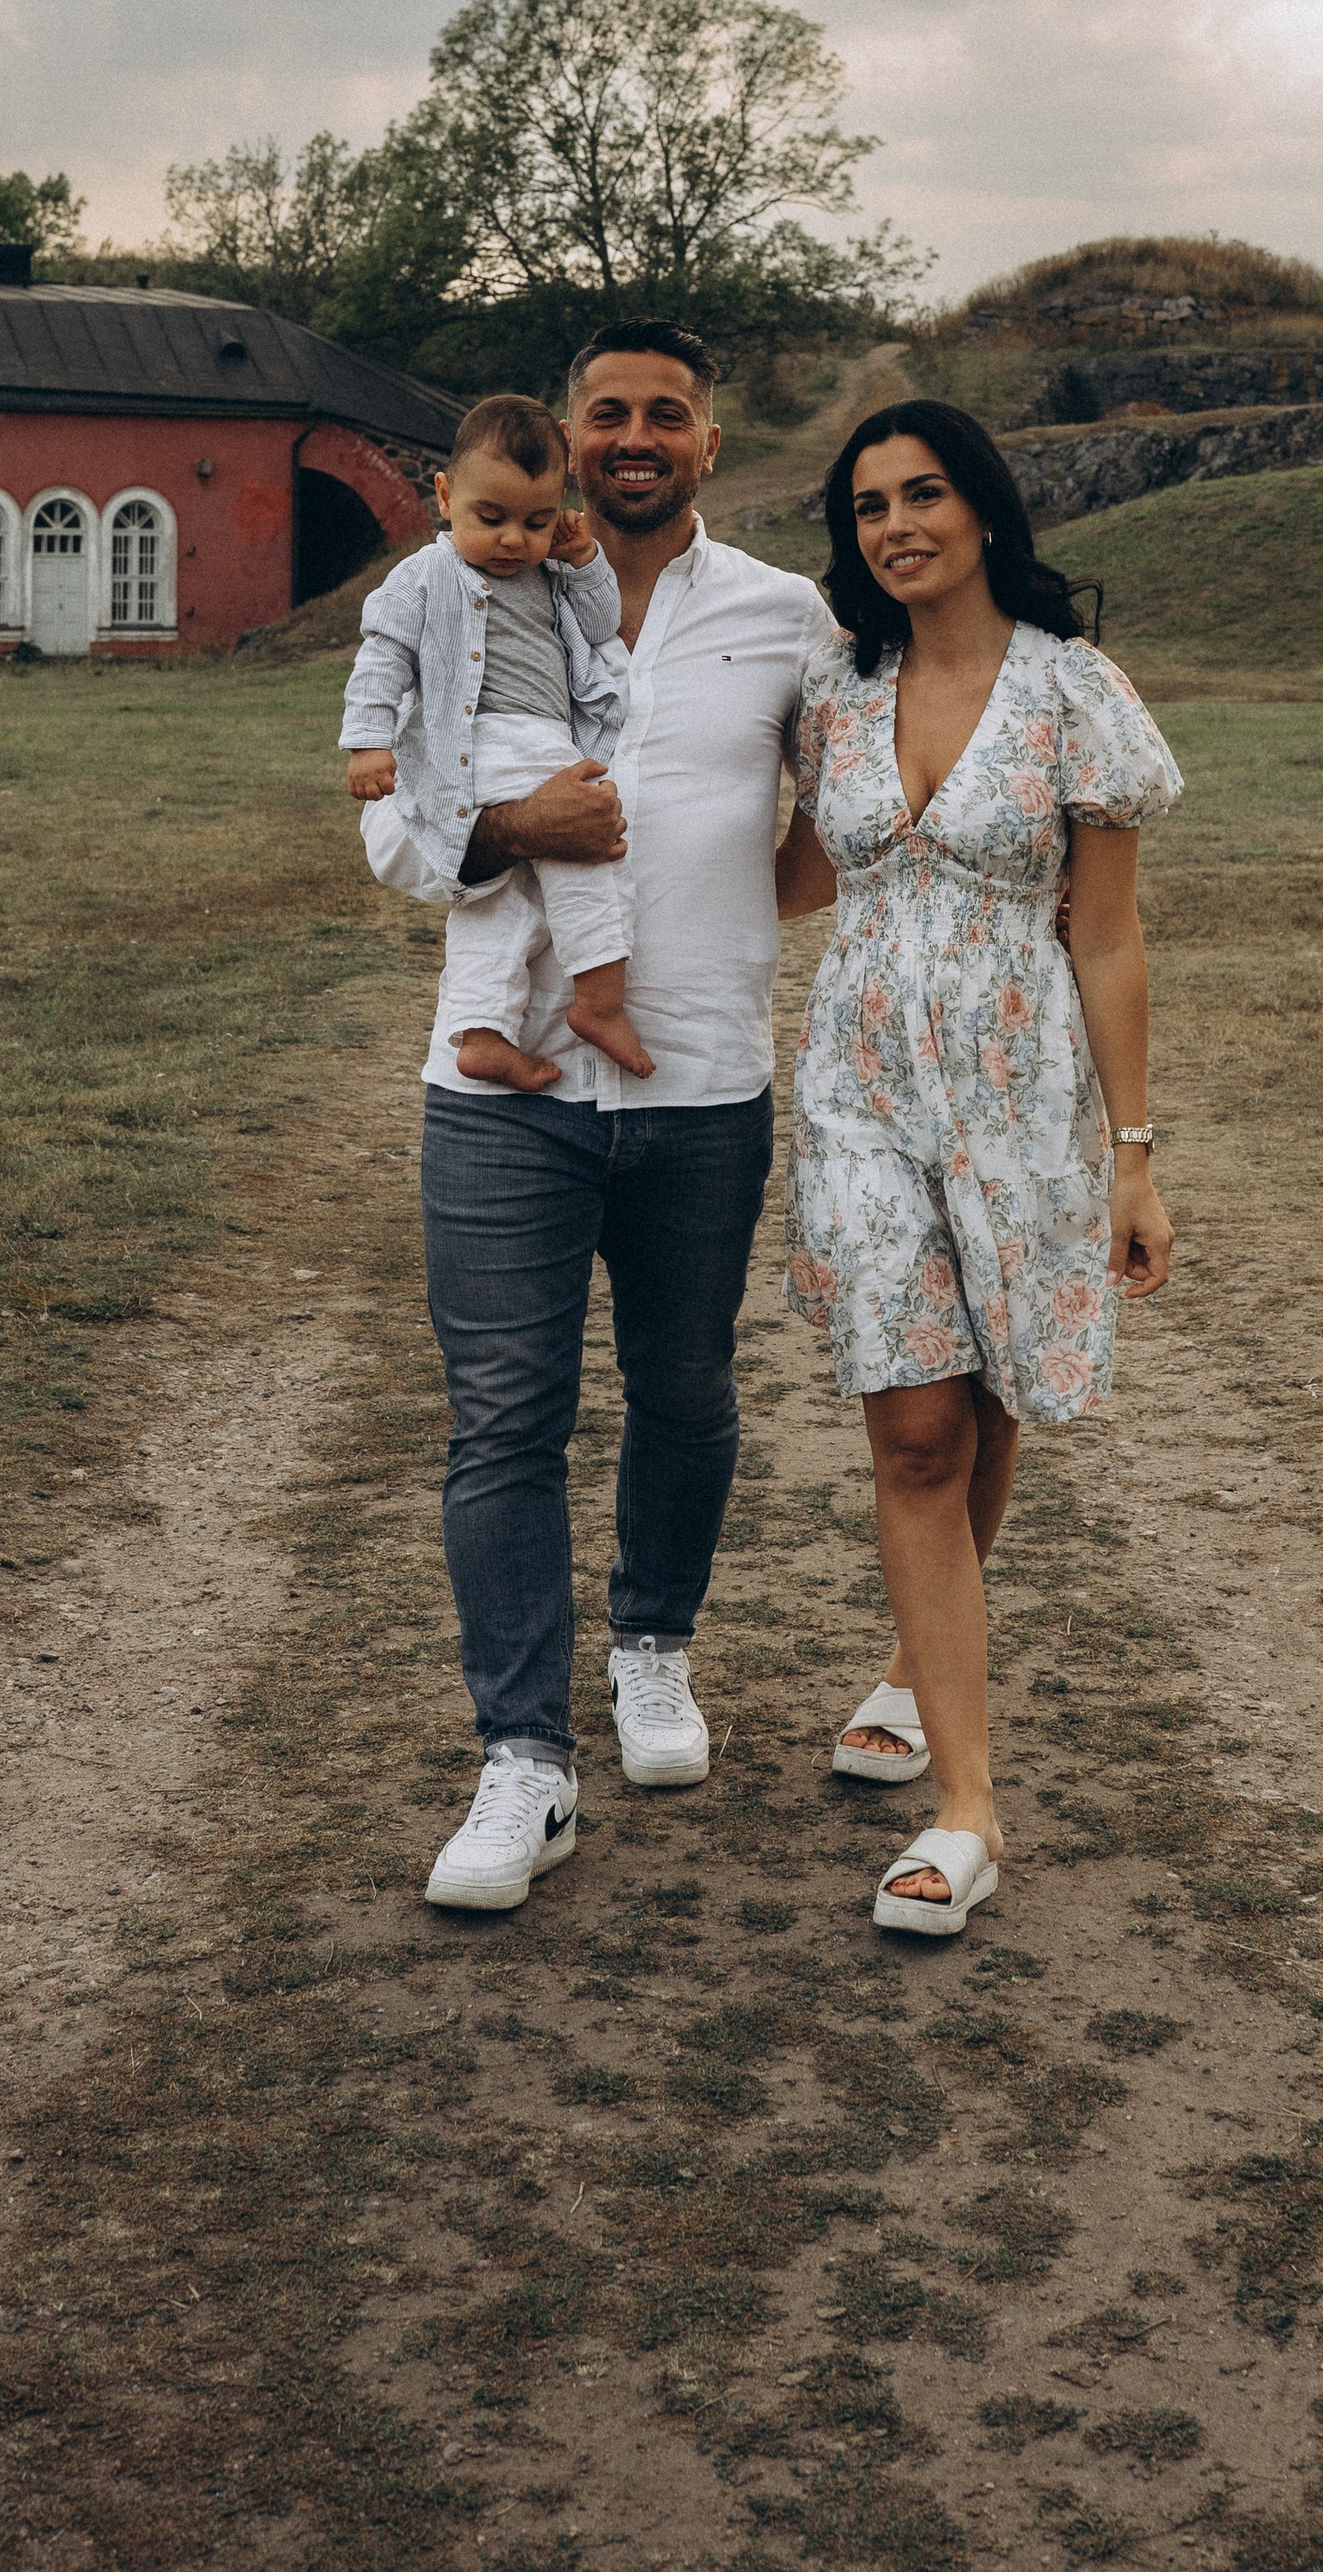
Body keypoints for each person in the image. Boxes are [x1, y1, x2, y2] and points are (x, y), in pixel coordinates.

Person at [351, 322, 834, 1914]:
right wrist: (510, 823)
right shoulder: (452, 595)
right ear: (561, 436)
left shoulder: (785, 616)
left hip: (702, 1085)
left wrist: (718, 933)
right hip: (503, 1092)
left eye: (667, 416)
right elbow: (395, 848)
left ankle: (652, 1655)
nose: (636, 436)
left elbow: (837, 824)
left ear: (708, 436)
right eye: (608, 412)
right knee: (506, 1419)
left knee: (687, 1391)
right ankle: (524, 1763)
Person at [782, 397, 1180, 1938]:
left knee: (994, 1387)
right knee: (919, 1425)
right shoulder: (833, 694)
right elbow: (806, 871)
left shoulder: (1077, 695)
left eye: (925, 494)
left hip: (1020, 1106)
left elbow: (1111, 928)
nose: (897, 526)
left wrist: (1134, 1159)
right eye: (871, 505)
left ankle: (906, 1668)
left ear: (984, 508)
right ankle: (966, 1810)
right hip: (862, 1096)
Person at [339, 393, 650, 1090]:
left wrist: (583, 556)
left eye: (537, 521)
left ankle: (480, 1032)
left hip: (515, 752)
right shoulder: (424, 574)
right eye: (493, 518)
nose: (514, 539)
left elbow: (604, 624)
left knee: (494, 898)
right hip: (496, 743)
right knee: (589, 853)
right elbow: (382, 656)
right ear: (446, 497)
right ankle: (599, 1002)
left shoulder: (550, 575)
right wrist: (368, 743)